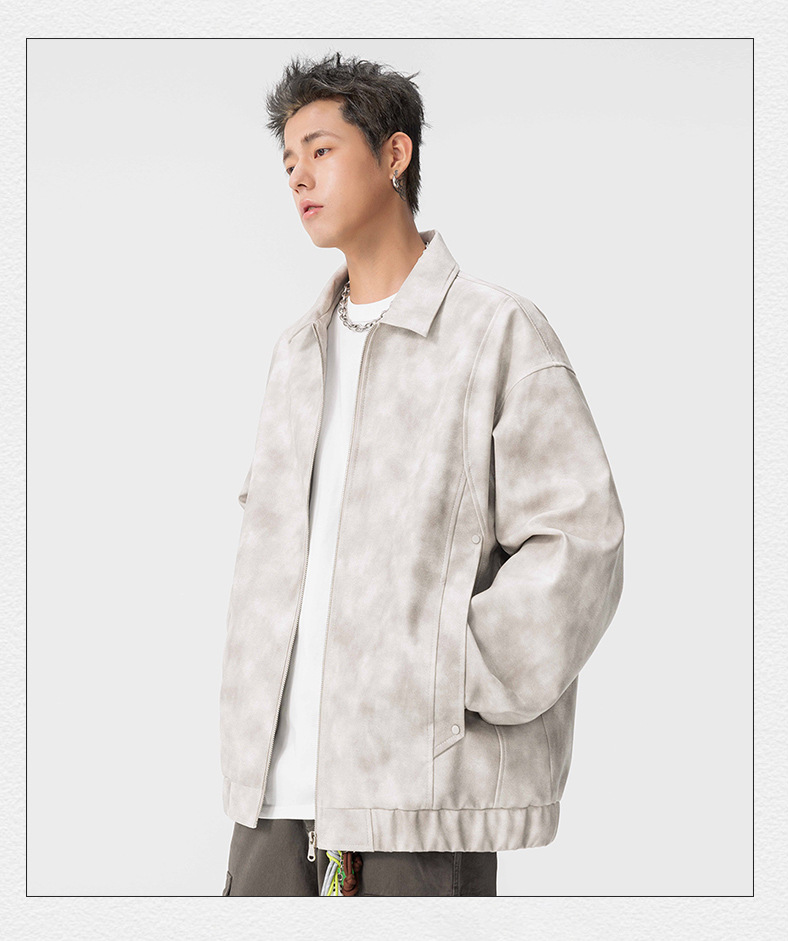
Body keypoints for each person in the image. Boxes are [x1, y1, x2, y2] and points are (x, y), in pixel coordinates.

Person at [219, 51, 625, 897]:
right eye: (288, 161)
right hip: (273, 800)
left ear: (395, 154)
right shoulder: (295, 356)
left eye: (321, 150)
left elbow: (580, 541)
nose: (298, 177)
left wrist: (454, 673)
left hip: (418, 802)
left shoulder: (494, 333)